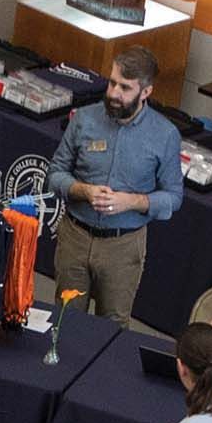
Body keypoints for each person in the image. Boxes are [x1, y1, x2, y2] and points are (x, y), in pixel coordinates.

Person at [49, 46, 183, 326]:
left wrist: (130, 202)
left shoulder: (165, 135)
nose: (113, 93)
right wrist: (83, 191)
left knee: (111, 328)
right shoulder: (84, 119)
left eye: (125, 88)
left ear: (145, 92)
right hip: (75, 235)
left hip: (123, 245)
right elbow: (56, 173)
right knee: (65, 318)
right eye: (112, 82)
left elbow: (173, 197)